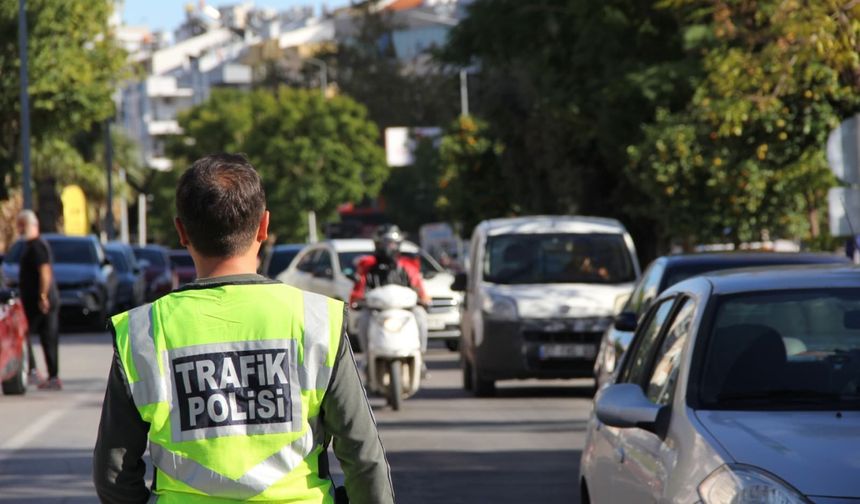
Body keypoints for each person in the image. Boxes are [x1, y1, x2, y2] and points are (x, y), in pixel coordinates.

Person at [93, 153, 394, 504]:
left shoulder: (143, 331)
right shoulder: (316, 320)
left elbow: (113, 474)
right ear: (264, 226)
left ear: (181, 232)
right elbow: (364, 458)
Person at [350, 225, 430, 364]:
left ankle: (420, 356)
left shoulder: (408, 266)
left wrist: (424, 300)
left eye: (392, 243)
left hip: (405, 311)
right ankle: (368, 358)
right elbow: (357, 292)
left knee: (421, 317)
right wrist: (357, 301)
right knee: (363, 320)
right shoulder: (368, 267)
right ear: (377, 244)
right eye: (385, 243)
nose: (389, 247)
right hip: (377, 312)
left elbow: (420, 289)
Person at [15, 210, 61, 390]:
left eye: (21, 225)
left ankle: (47, 375)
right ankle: (41, 373)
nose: (19, 229)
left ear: (31, 225)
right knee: (34, 336)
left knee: (45, 337)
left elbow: (45, 272)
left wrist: (43, 295)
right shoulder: (30, 246)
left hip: (42, 302)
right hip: (36, 301)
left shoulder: (37, 246)